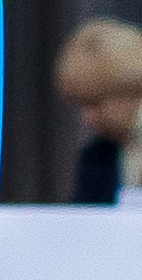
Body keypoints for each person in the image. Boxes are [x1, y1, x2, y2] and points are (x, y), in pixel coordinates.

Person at [56, 16, 142, 204]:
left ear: (133, 89)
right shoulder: (96, 160)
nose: (87, 118)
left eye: (96, 103)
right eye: (81, 105)